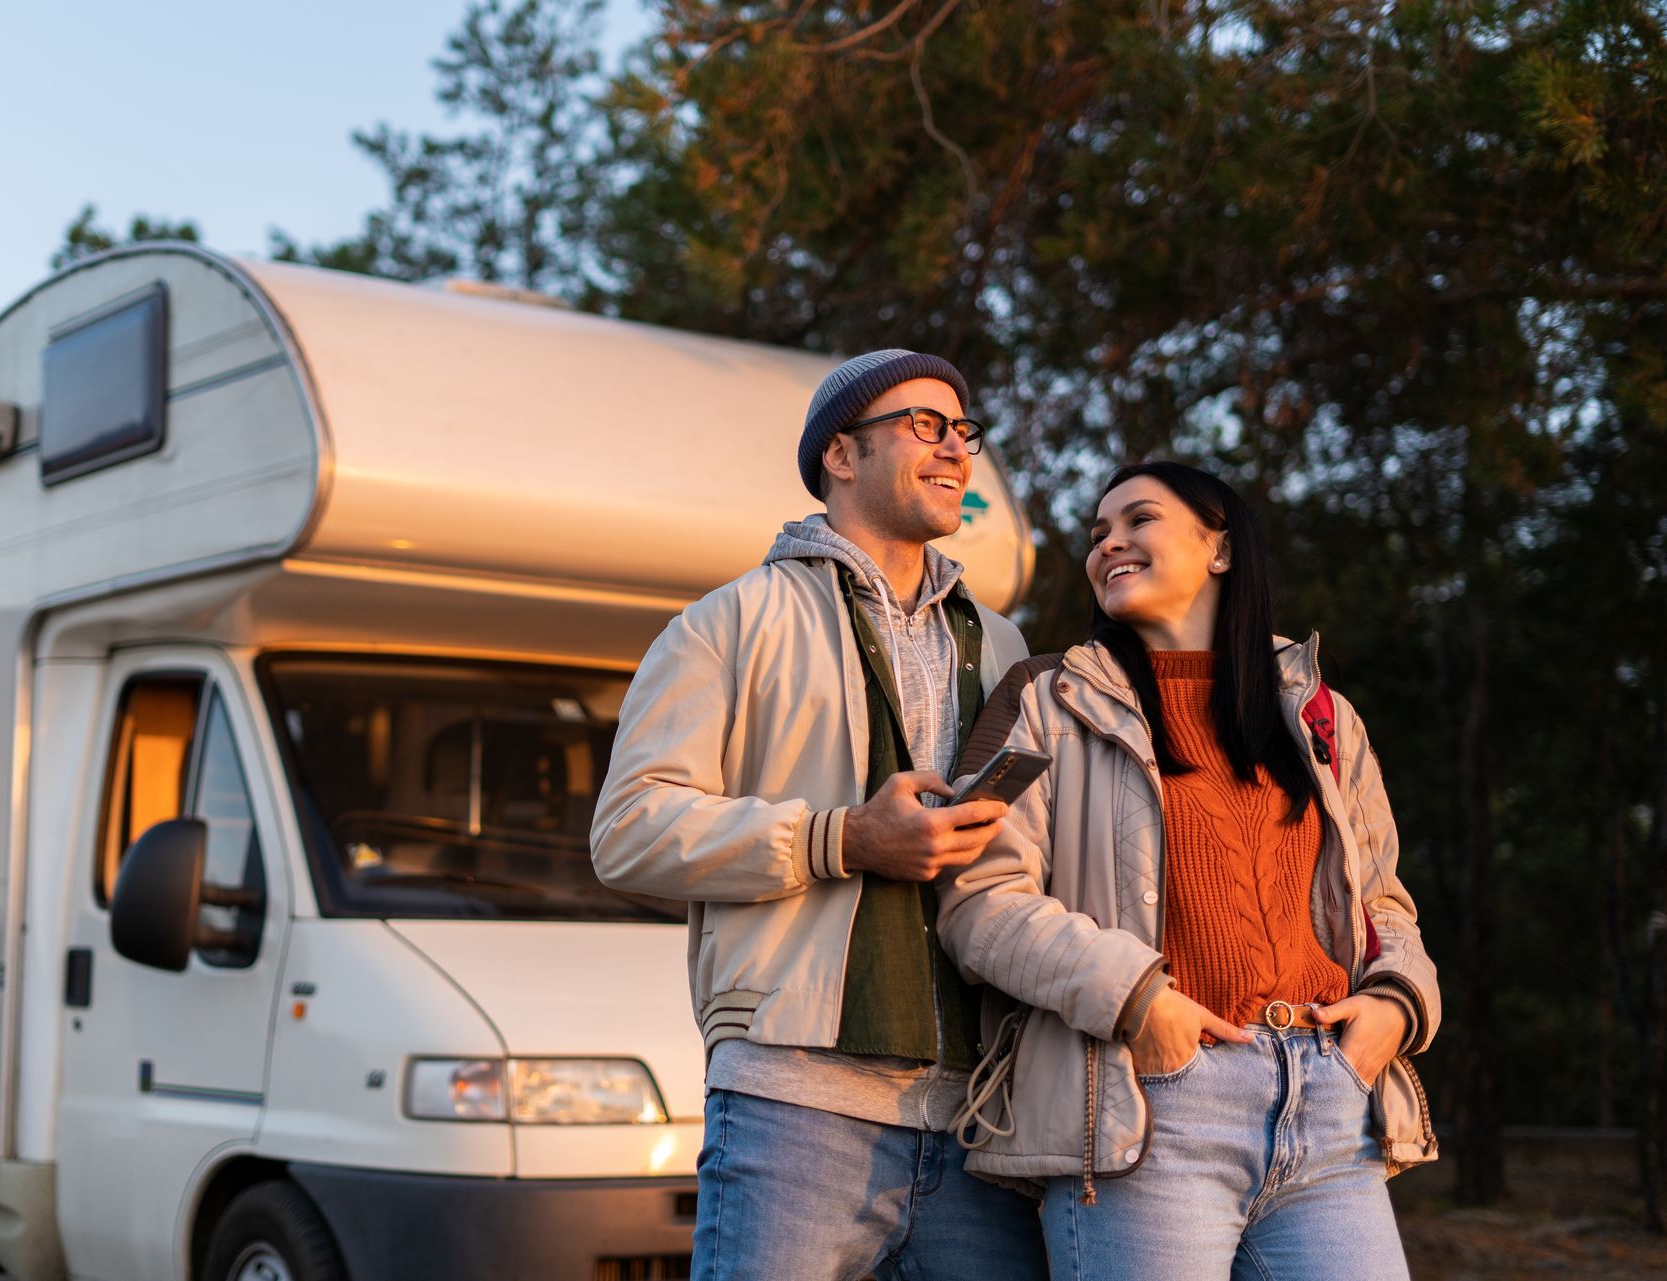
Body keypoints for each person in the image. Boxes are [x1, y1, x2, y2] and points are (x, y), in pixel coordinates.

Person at [592, 350, 1047, 1281]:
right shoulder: (727, 623)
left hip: (982, 1115)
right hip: (795, 1103)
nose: (956, 448)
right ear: (841, 454)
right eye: (926, 425)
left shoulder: (1004, 642)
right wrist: (840, 838)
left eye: (964, 430)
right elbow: (629, 829)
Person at [937, 461, 1439, 1281]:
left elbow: (1383, 900)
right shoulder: (1046, 699)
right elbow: (976, 899)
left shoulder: (1322, 715)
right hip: (1150, 1105)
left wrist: (1396, 1002)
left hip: (1330, 1098)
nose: (1110, 544)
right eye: (1098, 534)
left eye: (1139, 520)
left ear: (1221, 547)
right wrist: (1139, 1001)